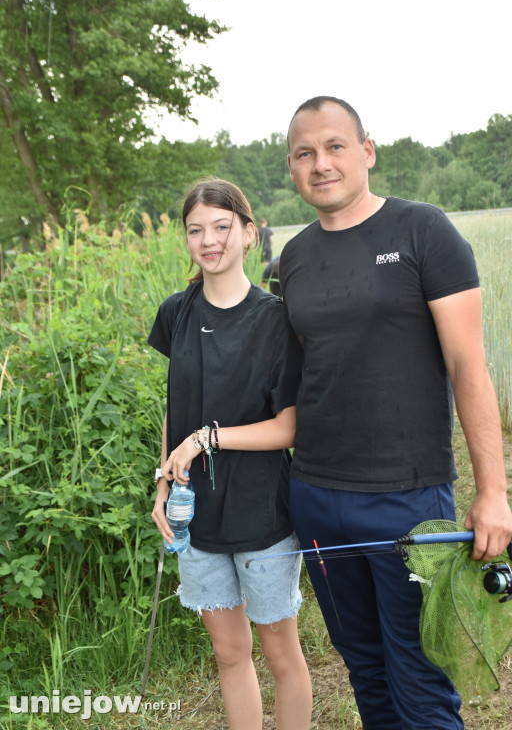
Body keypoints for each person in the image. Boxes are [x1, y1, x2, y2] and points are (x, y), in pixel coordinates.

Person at [279, 96, 512, 730]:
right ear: (292, 168)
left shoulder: (423, 231)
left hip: (406, 497)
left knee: (422, 675)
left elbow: (470, 369)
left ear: (367, 152)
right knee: (364, 667)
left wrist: (493, 491)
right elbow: (307, 377)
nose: (320, 163)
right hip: (317, 496)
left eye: (334, 146)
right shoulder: (291, 259)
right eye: (304, 153)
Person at [148, 178, 312, 730]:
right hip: (195, 516)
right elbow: (178, 402)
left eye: (221, 227)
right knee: (228, 653)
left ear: (249, 231)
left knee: (280, 655)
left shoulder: (276, 320)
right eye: (196, 230)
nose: (209, 240)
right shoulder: (176, 312)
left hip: (261, 511)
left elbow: (287, 428)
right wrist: (164, 482)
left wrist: (207, 438)